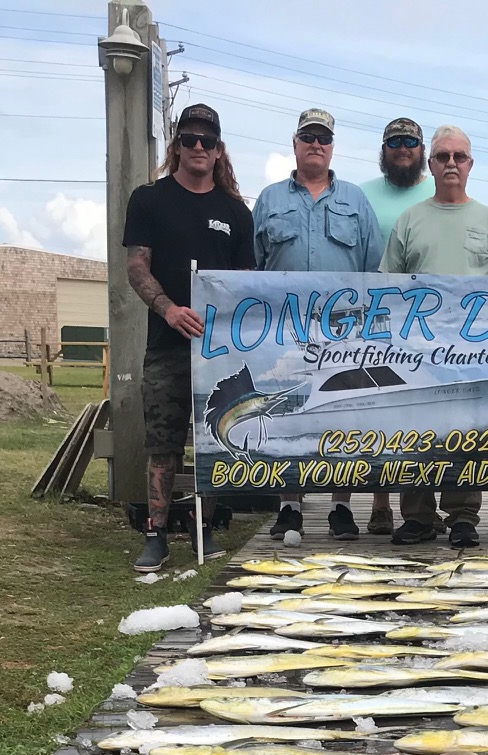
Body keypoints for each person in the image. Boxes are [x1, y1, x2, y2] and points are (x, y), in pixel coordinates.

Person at [121, 103, 256, 573]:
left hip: (218, 352)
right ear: (177, 145)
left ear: (219, 151)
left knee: (215, 440)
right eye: (191, 139)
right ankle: (156, 534)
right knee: (163, 444)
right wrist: (168, 309)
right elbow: (137, 267)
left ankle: (205, 525)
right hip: (167, 345)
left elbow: (247, 285)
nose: (199, 147)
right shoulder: (149, 199)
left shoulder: (236, 213)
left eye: (209, 141)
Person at [380, 125, 488, 549]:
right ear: (431, 164)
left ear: (470, 165)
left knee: (466, 433)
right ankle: (418, 517)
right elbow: (387, 288)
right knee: (415, 431)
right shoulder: (410, 220)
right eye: (442, 157)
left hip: (473, 355)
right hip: (415, 354)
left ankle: (462, 517)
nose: (451, 163)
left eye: (459, 156)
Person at [253, 106, 382, 543]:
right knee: (286, 410)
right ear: (294, 143)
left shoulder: (356, 201)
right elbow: (253, 268)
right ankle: (289, 506)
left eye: (323, 138)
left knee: (339, 414)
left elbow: (372, 269)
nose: (315, 144)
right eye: (308, 136)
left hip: (343, 332)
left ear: (332, 147)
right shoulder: (269, 199)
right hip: (283, 330)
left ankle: (340, 507)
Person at [356, 117, 433, 538]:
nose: (403, 148)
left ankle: (425, 508)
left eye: (410, 142)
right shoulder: (362, 194)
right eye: (394, 142)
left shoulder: (438, 189)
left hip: (432, 325)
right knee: (380, 413)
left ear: (422, 150)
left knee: (424, 413)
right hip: (377, 318)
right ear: (383, 149)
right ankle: (380, 503)